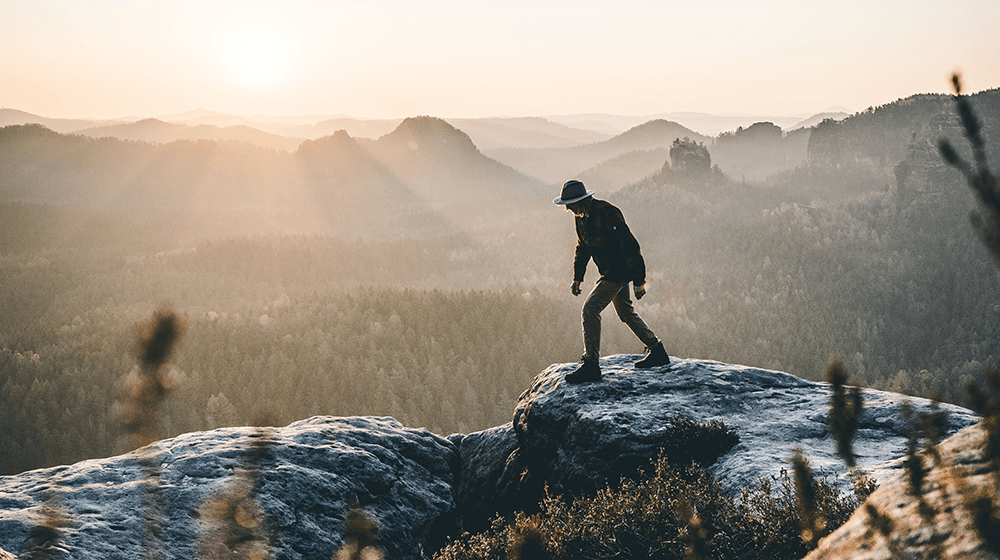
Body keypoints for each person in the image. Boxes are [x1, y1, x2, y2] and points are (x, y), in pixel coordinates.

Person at [553, 179, 670, 383]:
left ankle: (591, 365)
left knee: (590, 309)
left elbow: (631, 245)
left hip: (620, 270)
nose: (568, 209)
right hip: (608, 271)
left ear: (580, 201)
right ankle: (657, 349)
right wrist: (577, 277)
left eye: (569, 205)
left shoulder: (607, 212)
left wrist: (639, 280)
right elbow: (582, 247)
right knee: (625, 312)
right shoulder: (581, 217)